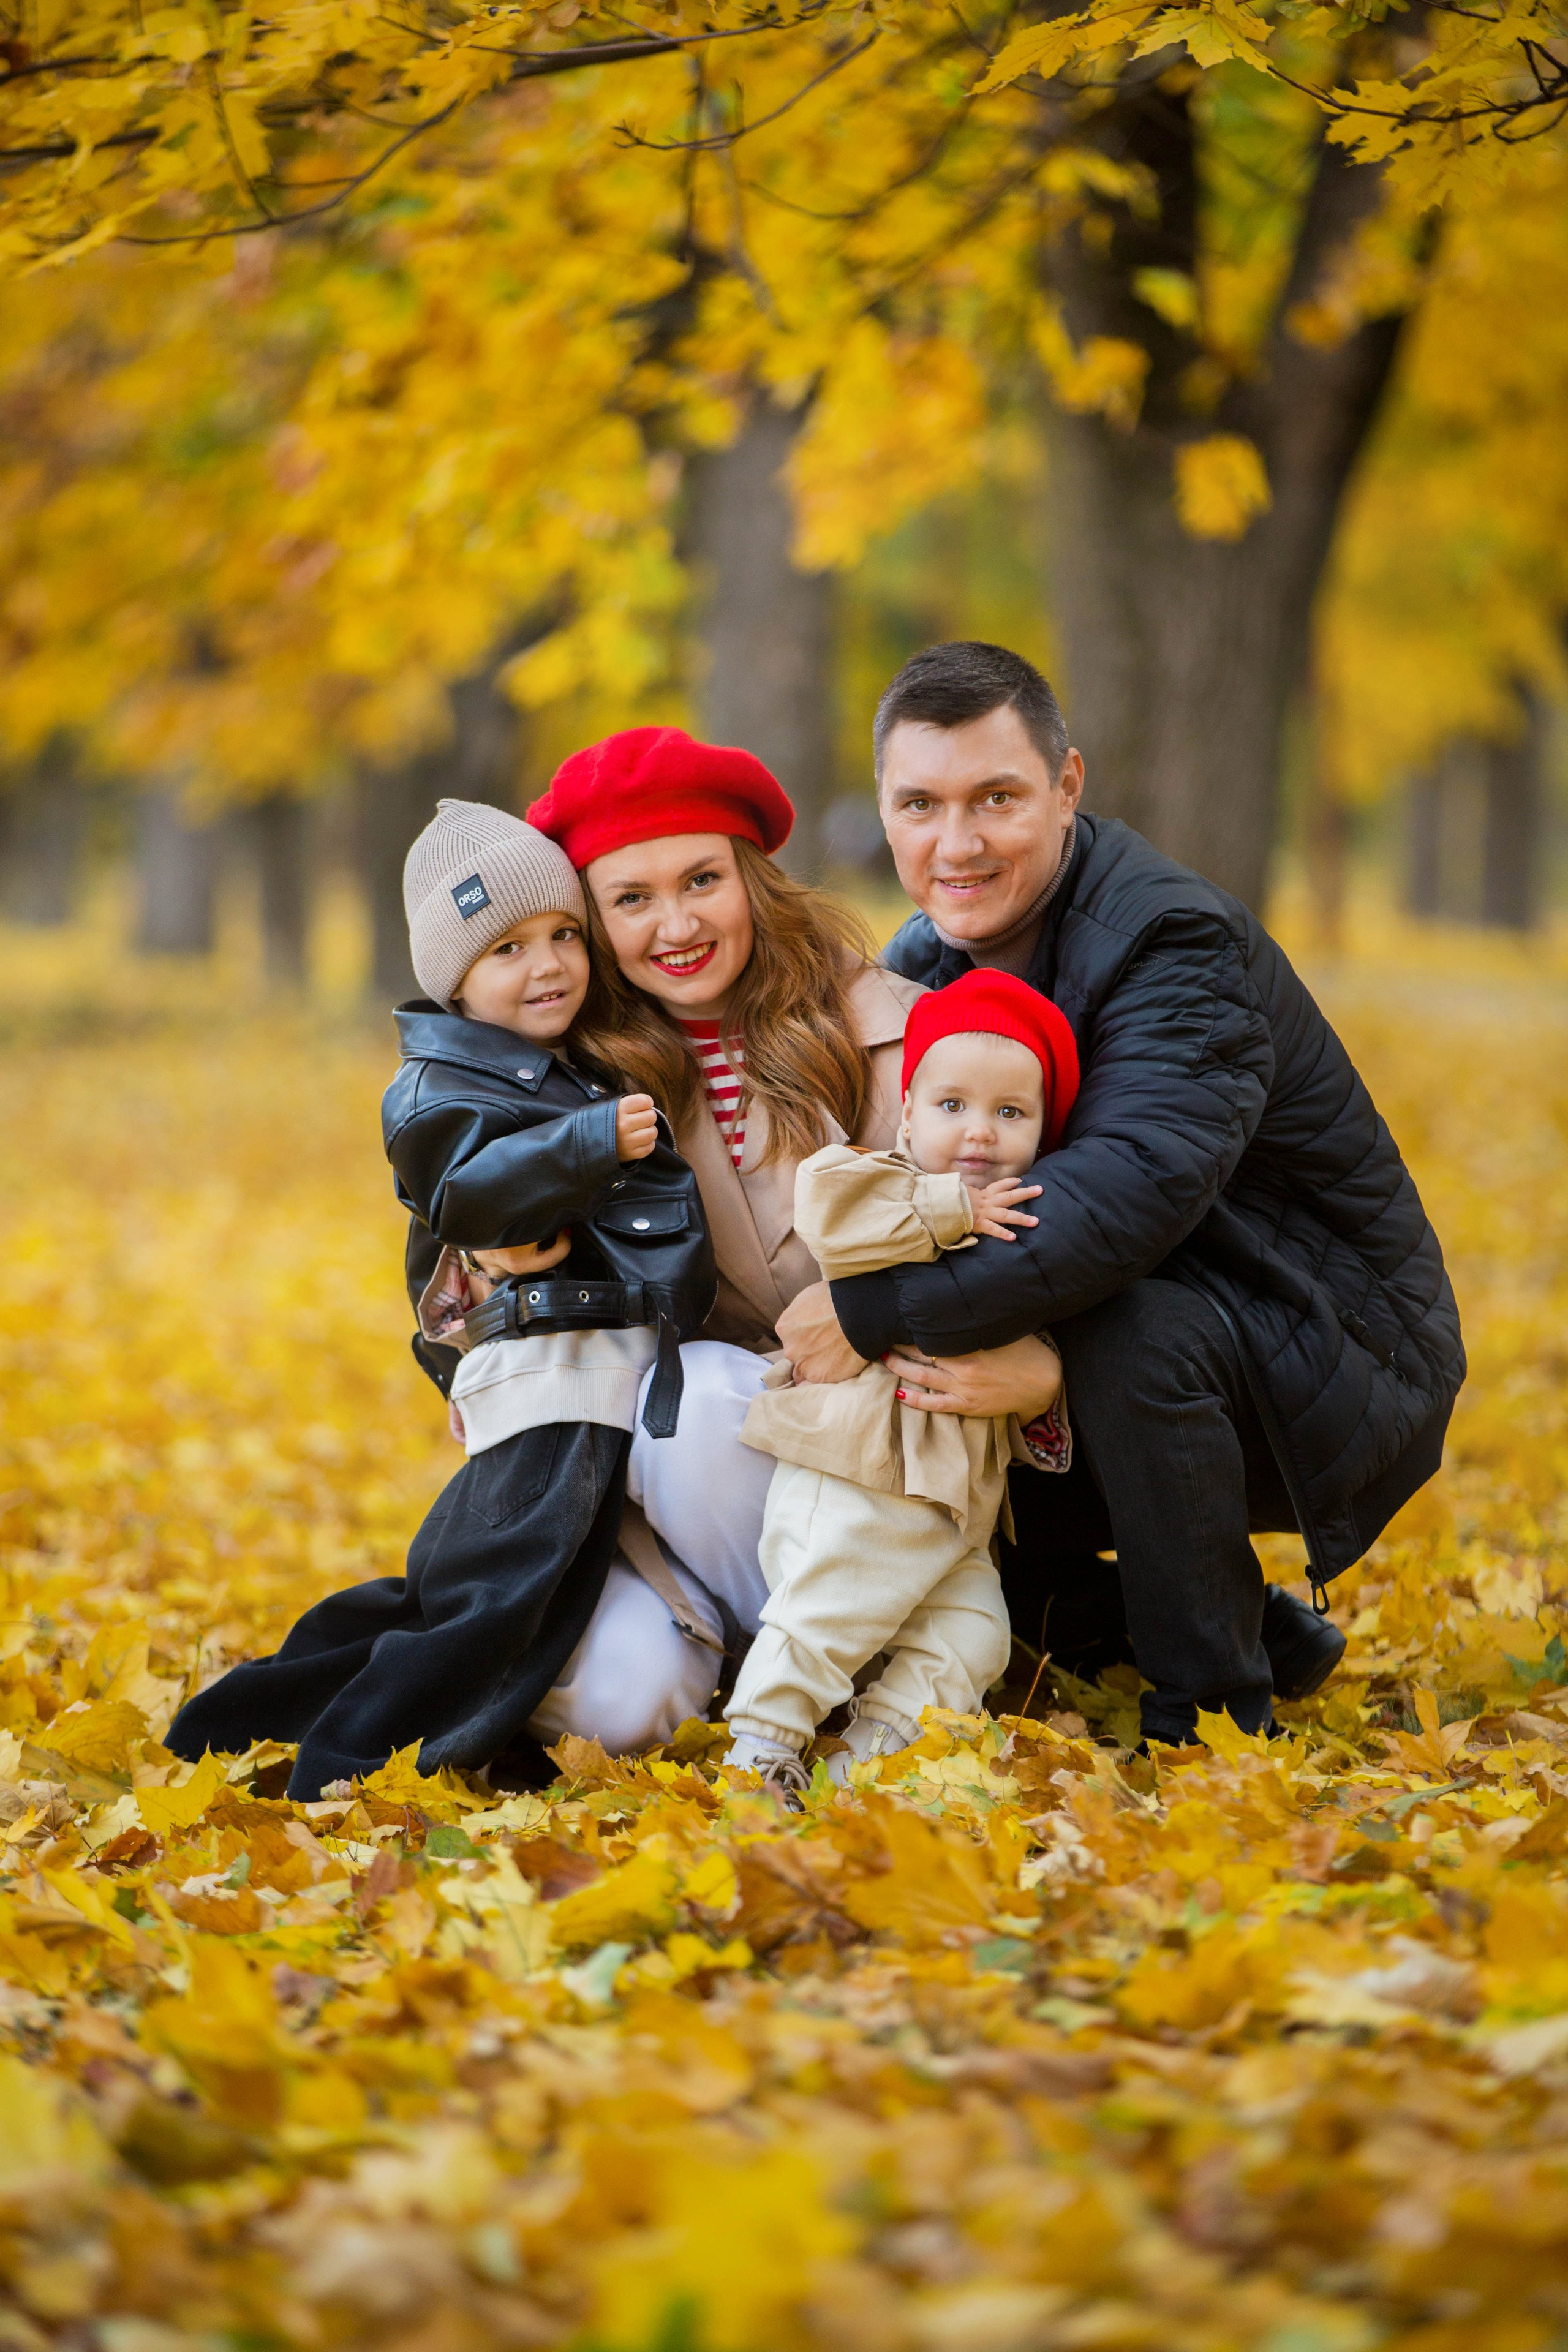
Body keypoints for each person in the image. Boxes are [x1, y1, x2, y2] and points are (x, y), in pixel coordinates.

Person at [778, 642, 1466, 1748]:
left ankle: (1209, 1720)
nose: (956, 843)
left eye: (996, 798)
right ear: (884, 813)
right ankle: (1219, 1629)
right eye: (921, 805)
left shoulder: (1173, 941)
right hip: (1129, 1311)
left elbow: (1124, 1197)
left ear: (1067, 788)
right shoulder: (927, 965)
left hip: (1326, 1345)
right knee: (937, 1405)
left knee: (1118, 1332)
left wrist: (871, 1315)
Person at [167, 800, 715, 1798]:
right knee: (488, 1596)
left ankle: (278, 1706)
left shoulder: (563, 1064)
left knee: (494, 1587)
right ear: (453, 979)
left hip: (594, 1377)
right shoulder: (436, 1089)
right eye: (507, 948)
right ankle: (340, 1766)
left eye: (562, 937)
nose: (547, 965)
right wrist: (590, 1144)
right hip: (546, 1382)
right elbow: (465, 1191)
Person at [724, 968, 1078, 1789]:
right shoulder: (876, 1177)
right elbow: (830, 1213)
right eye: (952, 1106)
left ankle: (867, 1761)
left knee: (977, 1637)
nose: (979, 1134)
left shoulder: (1030, 1228)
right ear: (908, 1110)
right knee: (829, 1614)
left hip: (956, 1506)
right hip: (863, 1468)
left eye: (1010, 1114)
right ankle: (760, 1753)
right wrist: (951, 1208)